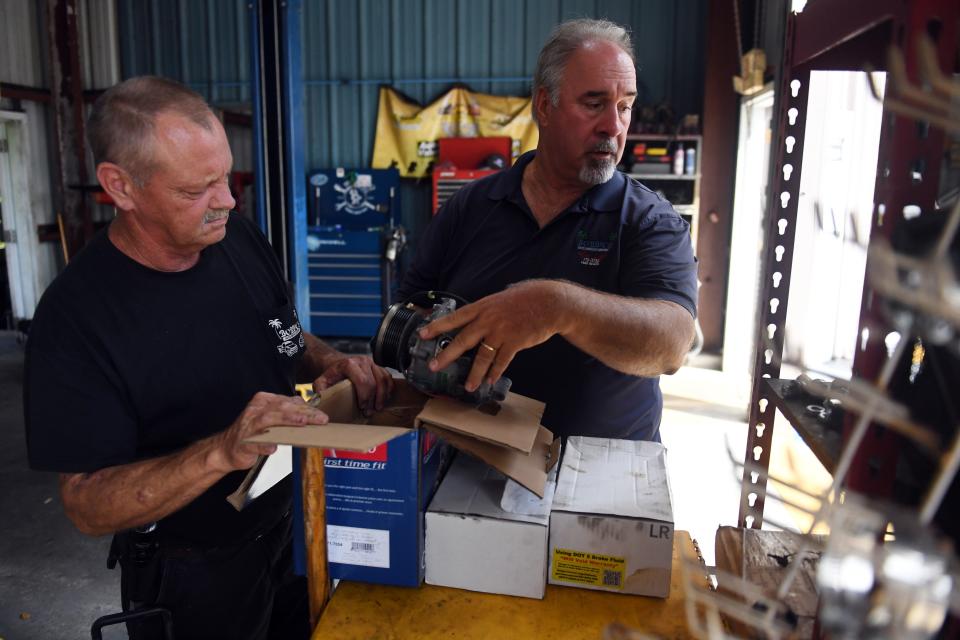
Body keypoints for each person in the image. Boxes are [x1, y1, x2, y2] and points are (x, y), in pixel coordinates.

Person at [23, 76, 393, 640]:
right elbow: (85, 504)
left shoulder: (236, 238)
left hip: (288, 527)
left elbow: (284, 335)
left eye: (224, 176)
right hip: (190, 570)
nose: (226, 200)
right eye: (196, 189)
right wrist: (221, 451)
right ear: (120, 186)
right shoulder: (77, 318)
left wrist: (325, 362)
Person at [398, 19, 698, 442]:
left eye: (625, 106)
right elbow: (410, 310)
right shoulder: (473, 206)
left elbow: (672, 344)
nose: (613, 126)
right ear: (544, 105)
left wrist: (558, 307)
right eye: (594, 104)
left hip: (599, 471)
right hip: (470, 455)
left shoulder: (649, 221)